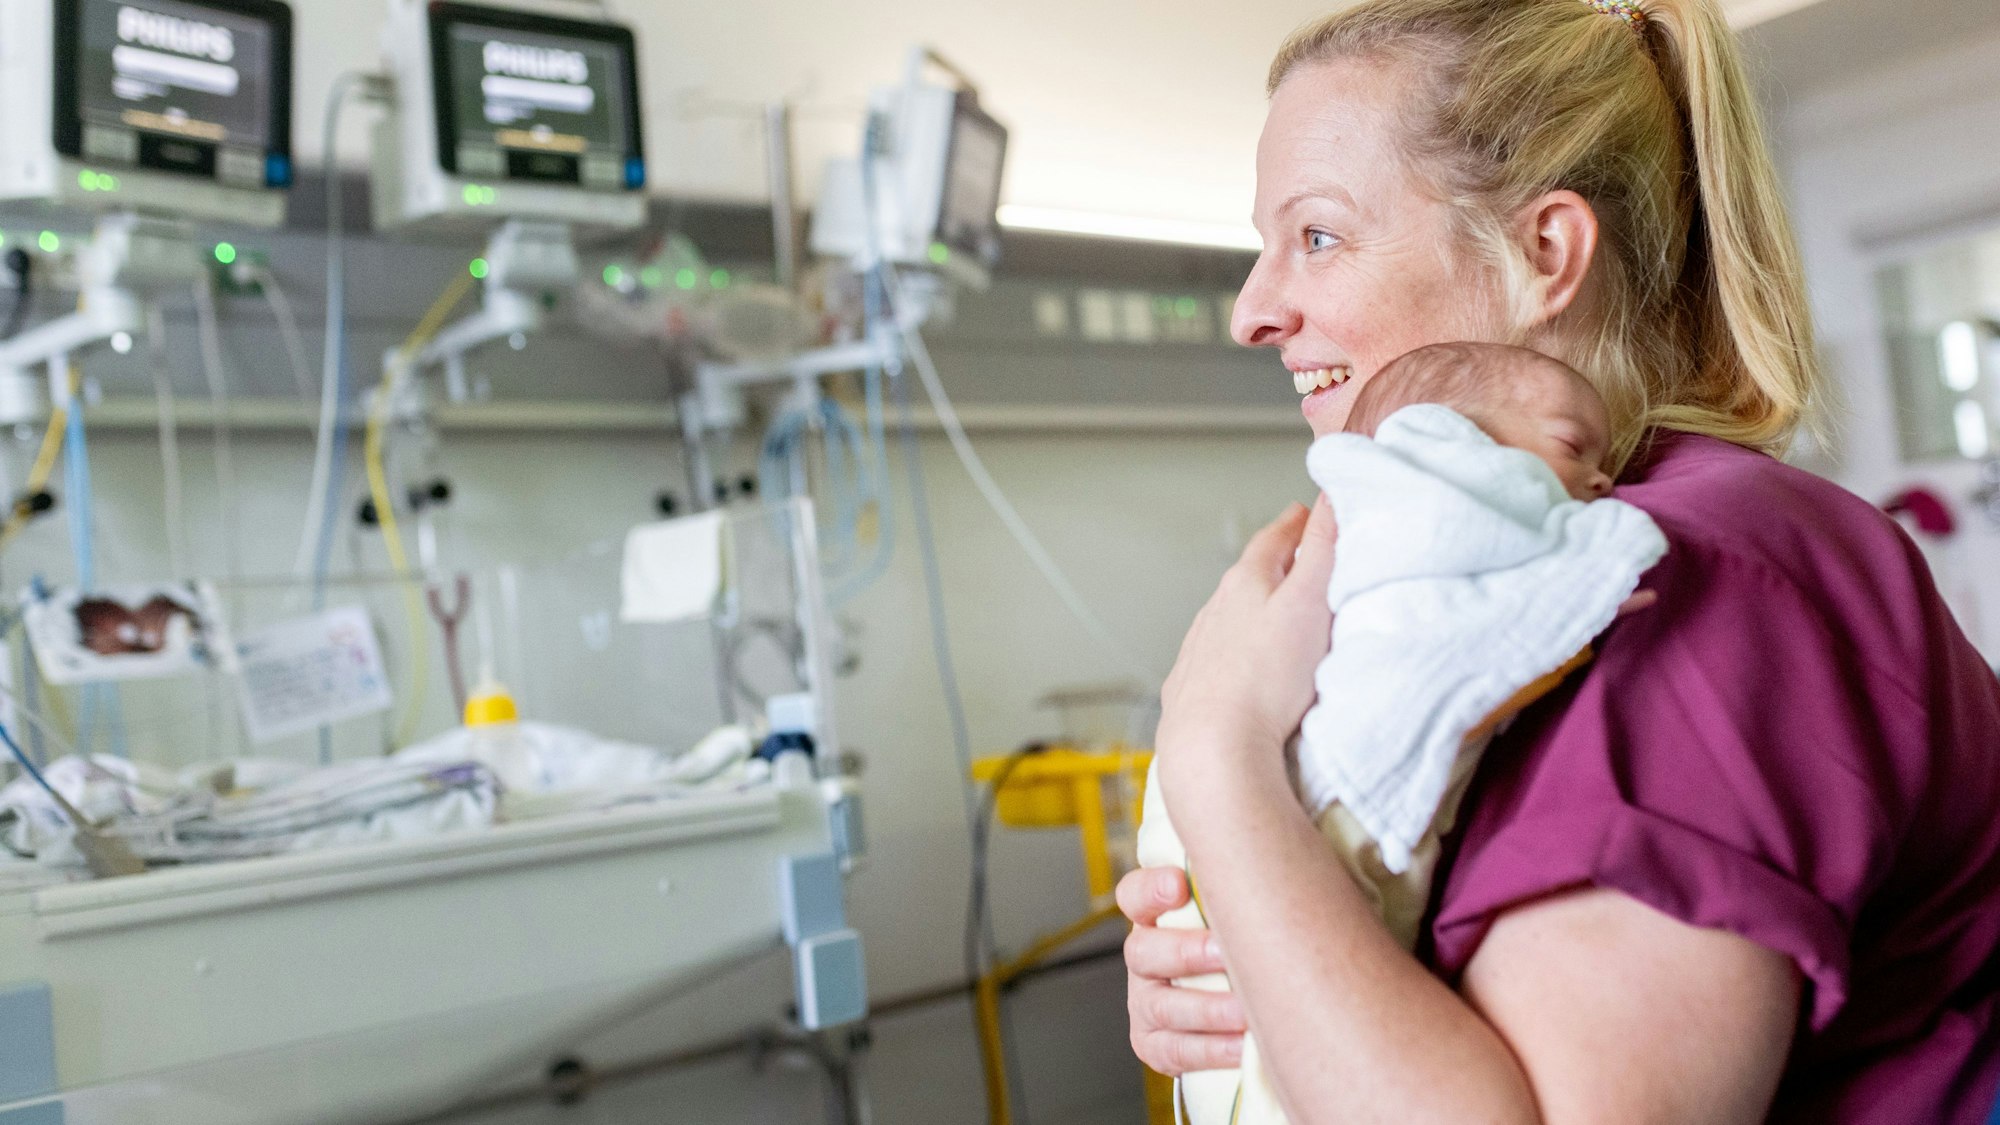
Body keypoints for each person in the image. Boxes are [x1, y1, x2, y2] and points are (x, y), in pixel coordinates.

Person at [1119, 0, 2000, 1122]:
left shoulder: (1686, 583)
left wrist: (1217, 761)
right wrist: (1250, 967)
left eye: (1318, 236)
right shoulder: (1512, 587)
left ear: (1543, 254)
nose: (1251, 309)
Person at [1138, 341, 1665, 1124]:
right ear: (1448, 440)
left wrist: (1215, 765)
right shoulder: (1413, 527)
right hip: (1313, 822)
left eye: (1320, 238)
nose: (1601, 484)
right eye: (1569, 449)